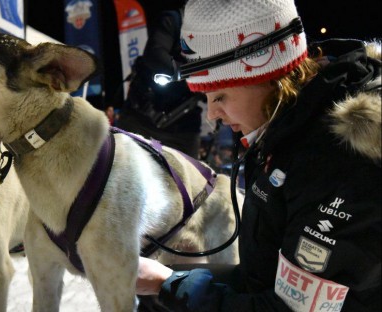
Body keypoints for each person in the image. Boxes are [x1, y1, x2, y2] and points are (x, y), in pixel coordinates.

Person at [136, 0, 381, 311]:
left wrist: (166, 285)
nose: (212, 114)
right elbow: (263, 277)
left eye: (220, 95)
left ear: (269, 76)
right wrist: (168, 284)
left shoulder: (344, 159)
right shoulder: (286, 126)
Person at [117, 10, 204, 158]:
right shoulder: (175, 19)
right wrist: (194, 73)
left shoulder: (221, 31)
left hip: (184, 127)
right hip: (141, 118)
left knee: (192, 178)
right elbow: (154, 54)